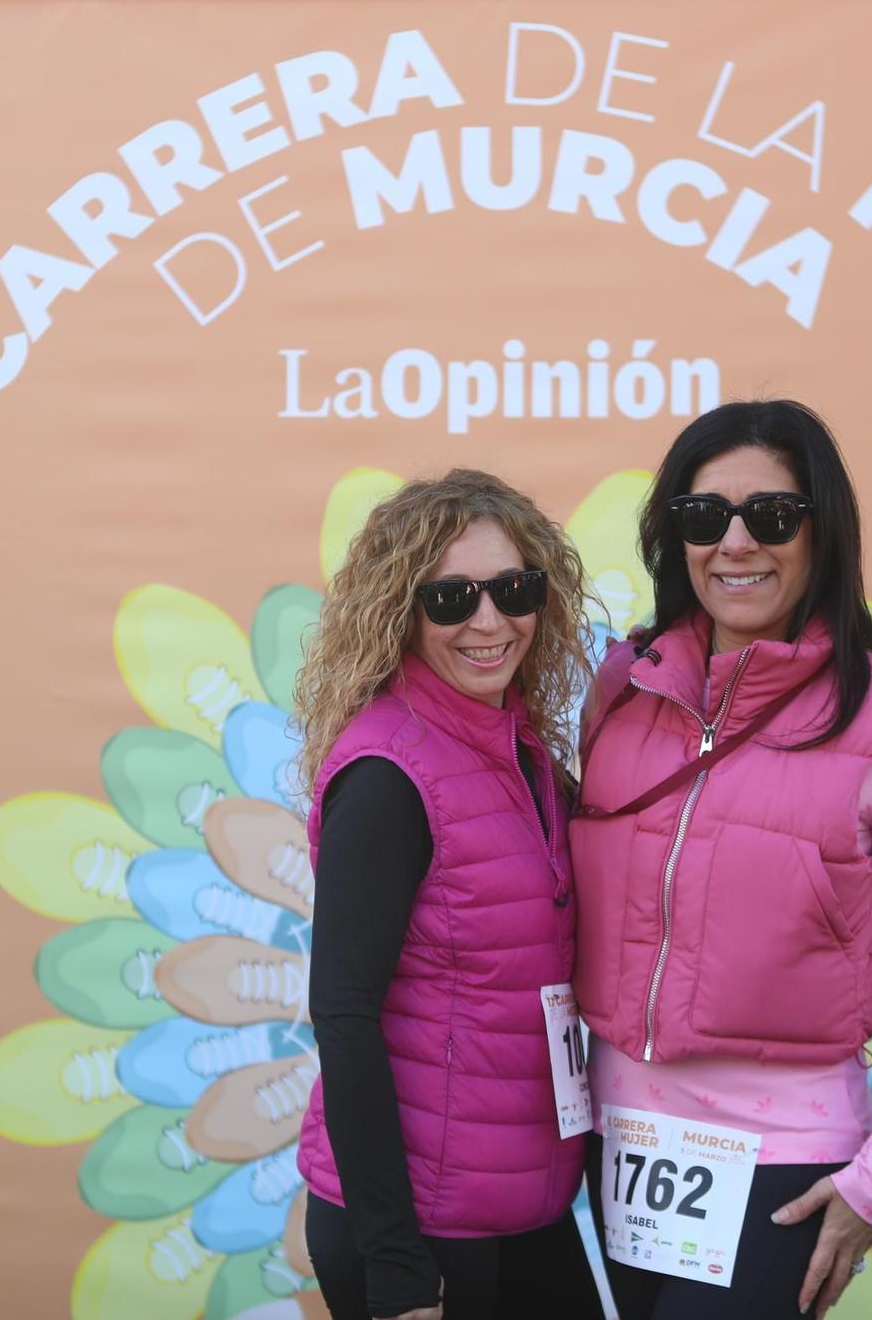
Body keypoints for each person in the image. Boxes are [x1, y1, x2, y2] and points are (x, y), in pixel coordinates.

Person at [571, 401, 872, 1320]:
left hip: (780, 1158)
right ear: (673, 537)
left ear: (821, 531)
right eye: (703, 517)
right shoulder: (623, 687)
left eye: (773, 515)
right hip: (617, 1142)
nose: (736, 542)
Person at [294, 468, 605, 1320]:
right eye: (451, 597)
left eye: (513, 588)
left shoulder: (525, 753)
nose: (488, 620)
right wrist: (394, 1262)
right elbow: (344, 1011)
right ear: (402, 609)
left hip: (523, 1208)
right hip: (419, 1234)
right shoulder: (390, 772)